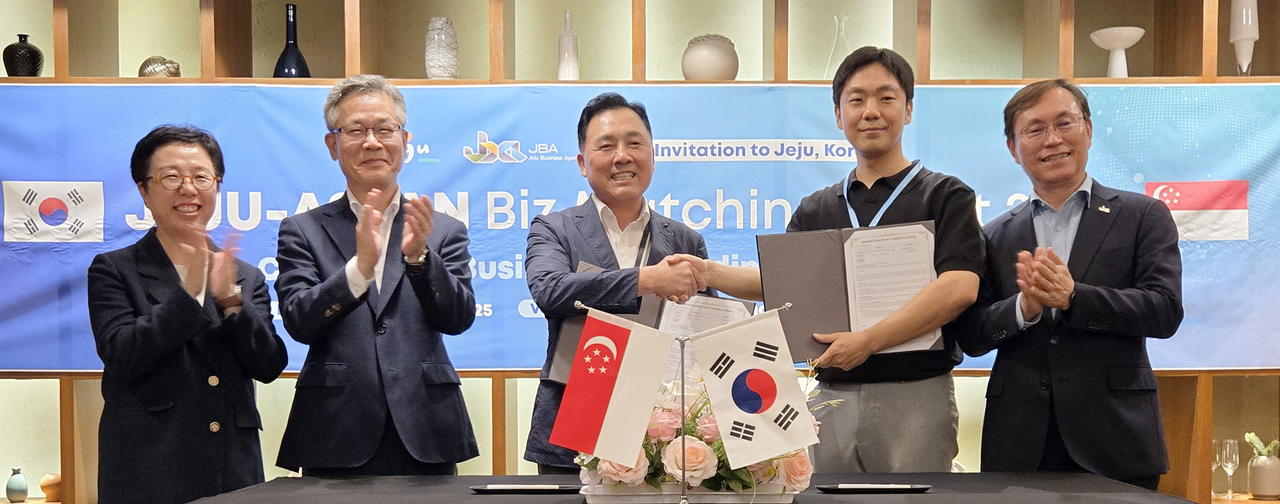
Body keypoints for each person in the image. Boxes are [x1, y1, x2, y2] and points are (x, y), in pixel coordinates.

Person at [673, 46, 984, 473]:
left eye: (886, 97)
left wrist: (869, 341)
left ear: (909, 109)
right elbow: (780, 286)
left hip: (915, 393)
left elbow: (960, 287)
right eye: (856, 100)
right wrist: (708, 271)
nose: (870, 111)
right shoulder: (816, 209)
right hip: (830, 395)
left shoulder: (947, 195)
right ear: (838, 115)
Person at [955, 79, 1182, 490]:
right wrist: (1023, 310)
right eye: (1035, 129)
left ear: (1089, 131)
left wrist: (1074, 297)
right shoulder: (992, 236)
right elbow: (970, 335)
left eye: (1065, 123)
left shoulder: (1143, 215)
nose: (1052, 140)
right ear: (1013, 147)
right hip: (1019, 442)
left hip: (1117, 437)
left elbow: (1164, 310)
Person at [274, 75, 479, 476]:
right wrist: (358, 270)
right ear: (333, 145)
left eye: (385, 129)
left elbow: (459, 319)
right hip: (334, 429)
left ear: (405, 140)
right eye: (356, 130)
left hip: (426, 428)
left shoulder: (442, 229)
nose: (372, 142)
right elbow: (299, 320)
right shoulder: (302, 230)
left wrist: (420, 257)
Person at [88, 125, 288, 504]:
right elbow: (122, 354)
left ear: (217, 185)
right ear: (144, 190)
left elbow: (269, 365)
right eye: (170, 177)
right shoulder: (114, 269)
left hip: (231, 470)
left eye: (201, 177)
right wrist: (190, 294)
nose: (188, 188)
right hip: (148, 468)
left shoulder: (245, 275)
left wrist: (230, 301)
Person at [523, 92, 709, 473]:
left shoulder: (686, 241)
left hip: (667, 430)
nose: (622, 156)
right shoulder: (554, 229)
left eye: (635, 143)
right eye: (606, 145)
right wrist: (647, 279)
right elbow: (550, 290)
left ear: (653, 156)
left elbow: (706, 332)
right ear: (582, 162)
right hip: (574, 423)